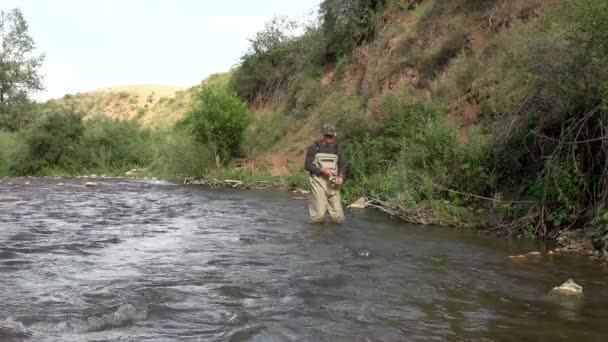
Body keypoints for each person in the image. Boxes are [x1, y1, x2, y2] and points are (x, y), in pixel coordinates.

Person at [304, 123, 347, 224]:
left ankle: (334, 237)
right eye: (327, 135)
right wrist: (321, 170)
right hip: (318, 182)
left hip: (333, 183)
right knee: (319, 215)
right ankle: (317, 236)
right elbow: (307, 166)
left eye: (331, 136)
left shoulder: (337, 148)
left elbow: (343, 164)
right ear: (322, 135)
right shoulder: (313, 148)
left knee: (338, 217)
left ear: (334, 136)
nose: (329, 138)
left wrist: (341, 176)